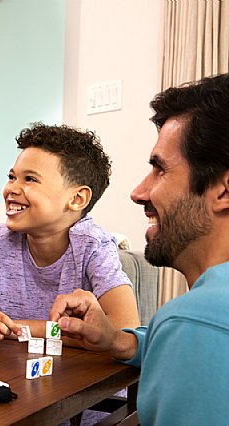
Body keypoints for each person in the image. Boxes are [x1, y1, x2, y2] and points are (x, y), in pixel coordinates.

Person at [50, 73, 229, 425]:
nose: (138, 193)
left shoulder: (196, 321)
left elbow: (202, 336)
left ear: (223, 191)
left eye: (160, 169)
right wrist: (118, 341)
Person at [0, 123, 140, 343]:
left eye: (30, 179)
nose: (11, 188)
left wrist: (14, 328)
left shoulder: (93, 246)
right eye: (12, 177)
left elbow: (125, 329)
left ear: (77, 199)